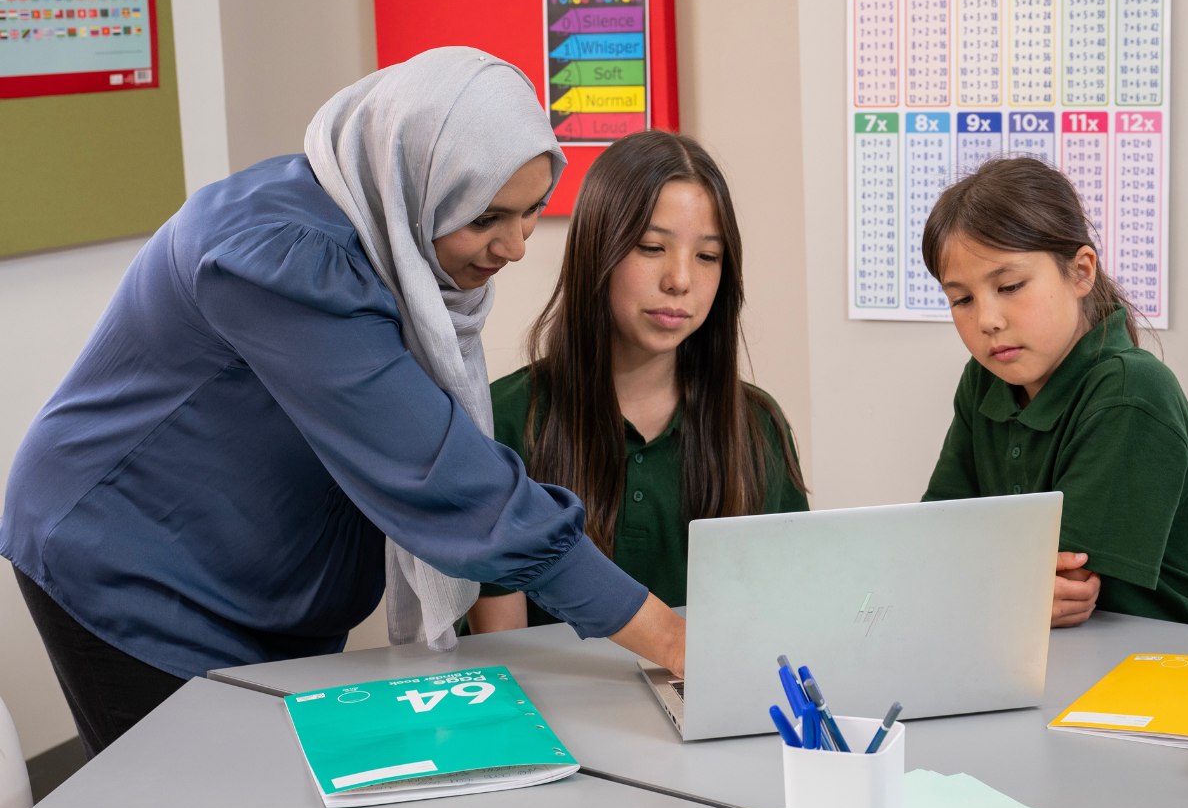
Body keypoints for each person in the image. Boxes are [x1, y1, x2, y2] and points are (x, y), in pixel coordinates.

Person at [0, 48, 684, 758]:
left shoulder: (389, 229)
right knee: (200, 787)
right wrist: (666, 636)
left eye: (532, 212)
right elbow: (443, 474)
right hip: (127, 558)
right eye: (486, 218)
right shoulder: (280, 259)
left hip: (253, 570)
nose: (513, 246)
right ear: (418, 177)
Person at [919, 156, 1188, 636]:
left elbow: (1065, 585)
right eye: (961, 299)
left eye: (1010, 286)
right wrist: (1000, 582)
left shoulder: (1130, 391)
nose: (987, 319)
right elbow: (931, 538)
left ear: (1081, 271)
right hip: (1070, 654)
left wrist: (987, 579)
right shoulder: (985, 379)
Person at [467, 131, 807, 632]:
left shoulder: (758, 426)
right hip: (550, 708)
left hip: (703, 704)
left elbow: (784, 620)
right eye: (652, 247)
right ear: (596, 251)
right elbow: (505, 655)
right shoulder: (506, 419)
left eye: (707, 256)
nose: (680, 280)